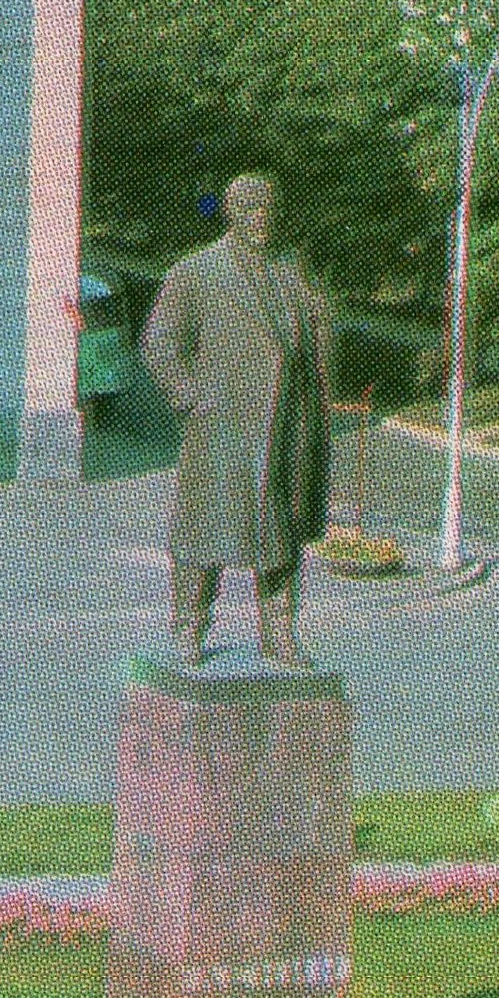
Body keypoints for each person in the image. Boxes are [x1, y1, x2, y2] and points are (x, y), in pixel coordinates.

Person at [142, 173, 334, 668]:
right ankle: (189, 630)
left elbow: (313, 342)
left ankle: (279, 634)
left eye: (267, 208)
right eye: (249, 209)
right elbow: (159, 344)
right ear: (231, 213)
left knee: (281, 534)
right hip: (222, 426)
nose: (261, 217)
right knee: (206, 533)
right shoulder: (197, 271)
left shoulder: (293, 269)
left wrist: (322, 321)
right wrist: (191, 397)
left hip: (287, 425)